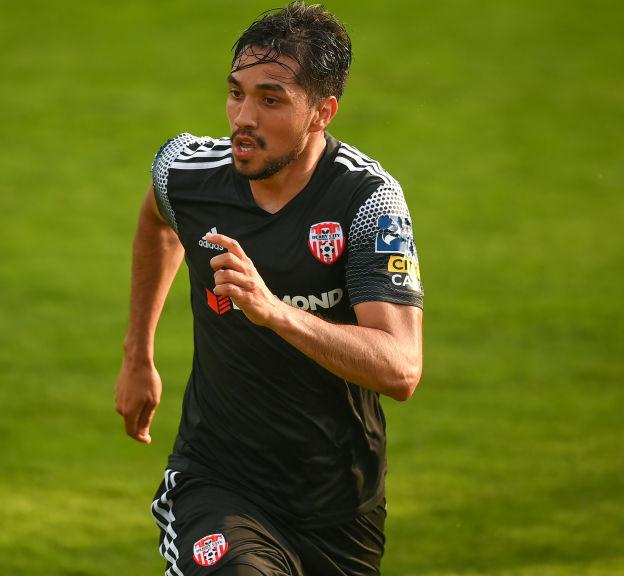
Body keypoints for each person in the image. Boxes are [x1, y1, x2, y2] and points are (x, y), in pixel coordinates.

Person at [114, 3, 424, 575]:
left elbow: (400, 368)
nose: (242, 117)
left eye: (271, 99)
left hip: (339, 504)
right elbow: (158, 222)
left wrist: (274, 311)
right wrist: (139, 354)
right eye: (237, 92)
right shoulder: (187, 174)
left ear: (322, 112)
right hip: (218, 481)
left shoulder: (367, 203)